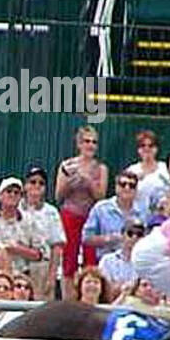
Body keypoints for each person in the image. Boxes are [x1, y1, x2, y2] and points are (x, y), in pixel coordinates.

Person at [55, 124, 108, 292]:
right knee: (69, 261)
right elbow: (58, 195)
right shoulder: (67, 166)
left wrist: (89, 182)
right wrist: (71, 181)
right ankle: (67, 301)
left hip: (91, 217)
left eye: (94, 142)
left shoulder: (101, 168)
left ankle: (89, 299)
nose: (90, 145)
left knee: (91, 260)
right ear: (79, 144)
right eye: (86, 141)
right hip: (70, 215)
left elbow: (101, 196)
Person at [83, 170, 148, 263]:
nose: (127, 188)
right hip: (106, 262)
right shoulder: (101, 208)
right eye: (123, 184)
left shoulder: (144, 211)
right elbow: (86, 238)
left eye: (132, 185)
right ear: (116, 187)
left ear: (136, 190)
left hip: (136, 262)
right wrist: (109, 239)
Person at [0, 176, 47, 288]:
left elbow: (40, 254)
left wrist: (17, 249)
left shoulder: (31, 222)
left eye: (16, 193)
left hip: (23, 275)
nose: (12, 195)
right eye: (8, 191)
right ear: (0, 196)